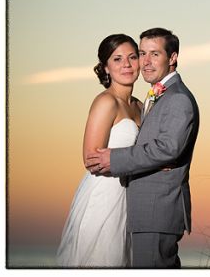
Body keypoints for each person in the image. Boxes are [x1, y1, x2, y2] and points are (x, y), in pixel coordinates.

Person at [85, 28, 200, 268]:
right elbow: (92, 157)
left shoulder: (176, 98)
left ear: (172, 58)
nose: (145, 62)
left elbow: (168, 148)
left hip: (156, 207)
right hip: (125, 201)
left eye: (154, 54)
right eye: (142, 53)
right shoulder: (150, 98)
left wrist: (118, 159)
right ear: (105, 67)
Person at [57, 34, 142, 267]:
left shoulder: (140, 106)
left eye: (132, 57)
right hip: (105, 194)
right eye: (117, 59)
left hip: (130, 196)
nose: (126, 64)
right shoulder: (106, 102)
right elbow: (90, 159)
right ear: (106, 67)